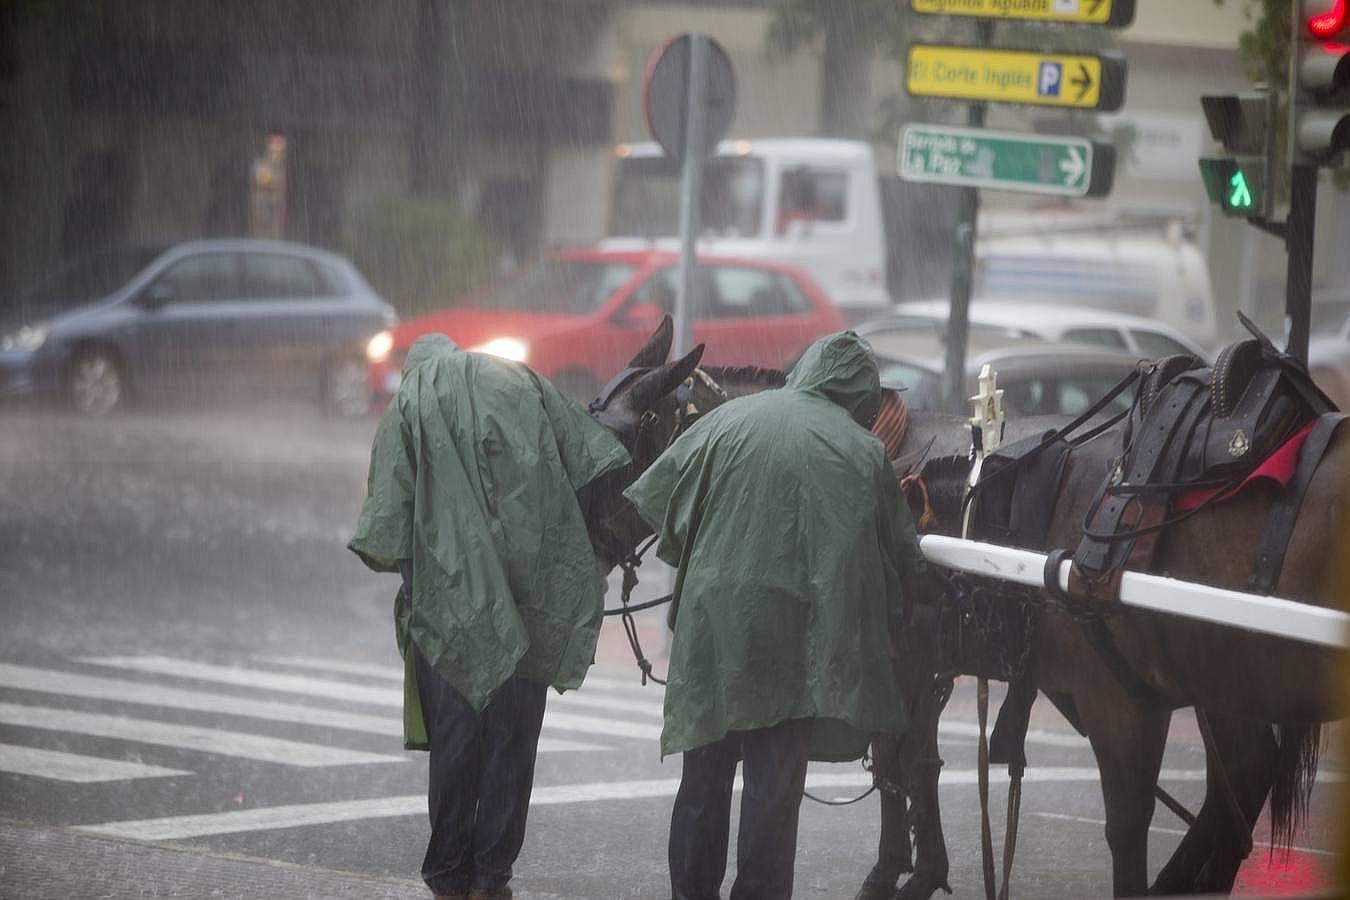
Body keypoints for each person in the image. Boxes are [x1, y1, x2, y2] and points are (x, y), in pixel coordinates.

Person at [623, 331, 925, 900]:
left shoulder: (726, 420)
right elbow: (904, 555)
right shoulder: (863, 452)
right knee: (772, 792)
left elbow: (662, 504)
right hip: (792, 642)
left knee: (703, 783)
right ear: (860, 394)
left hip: (712, 632)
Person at [348, 334, 630, 900]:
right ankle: (491, 875)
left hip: (448, 609)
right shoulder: (522, 381)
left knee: (457, 747)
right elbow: (594, 457)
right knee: (512, 742)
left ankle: (449, 874)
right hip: (531, 602)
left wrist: (419, 583)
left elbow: (389, 512)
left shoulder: (413, 398)